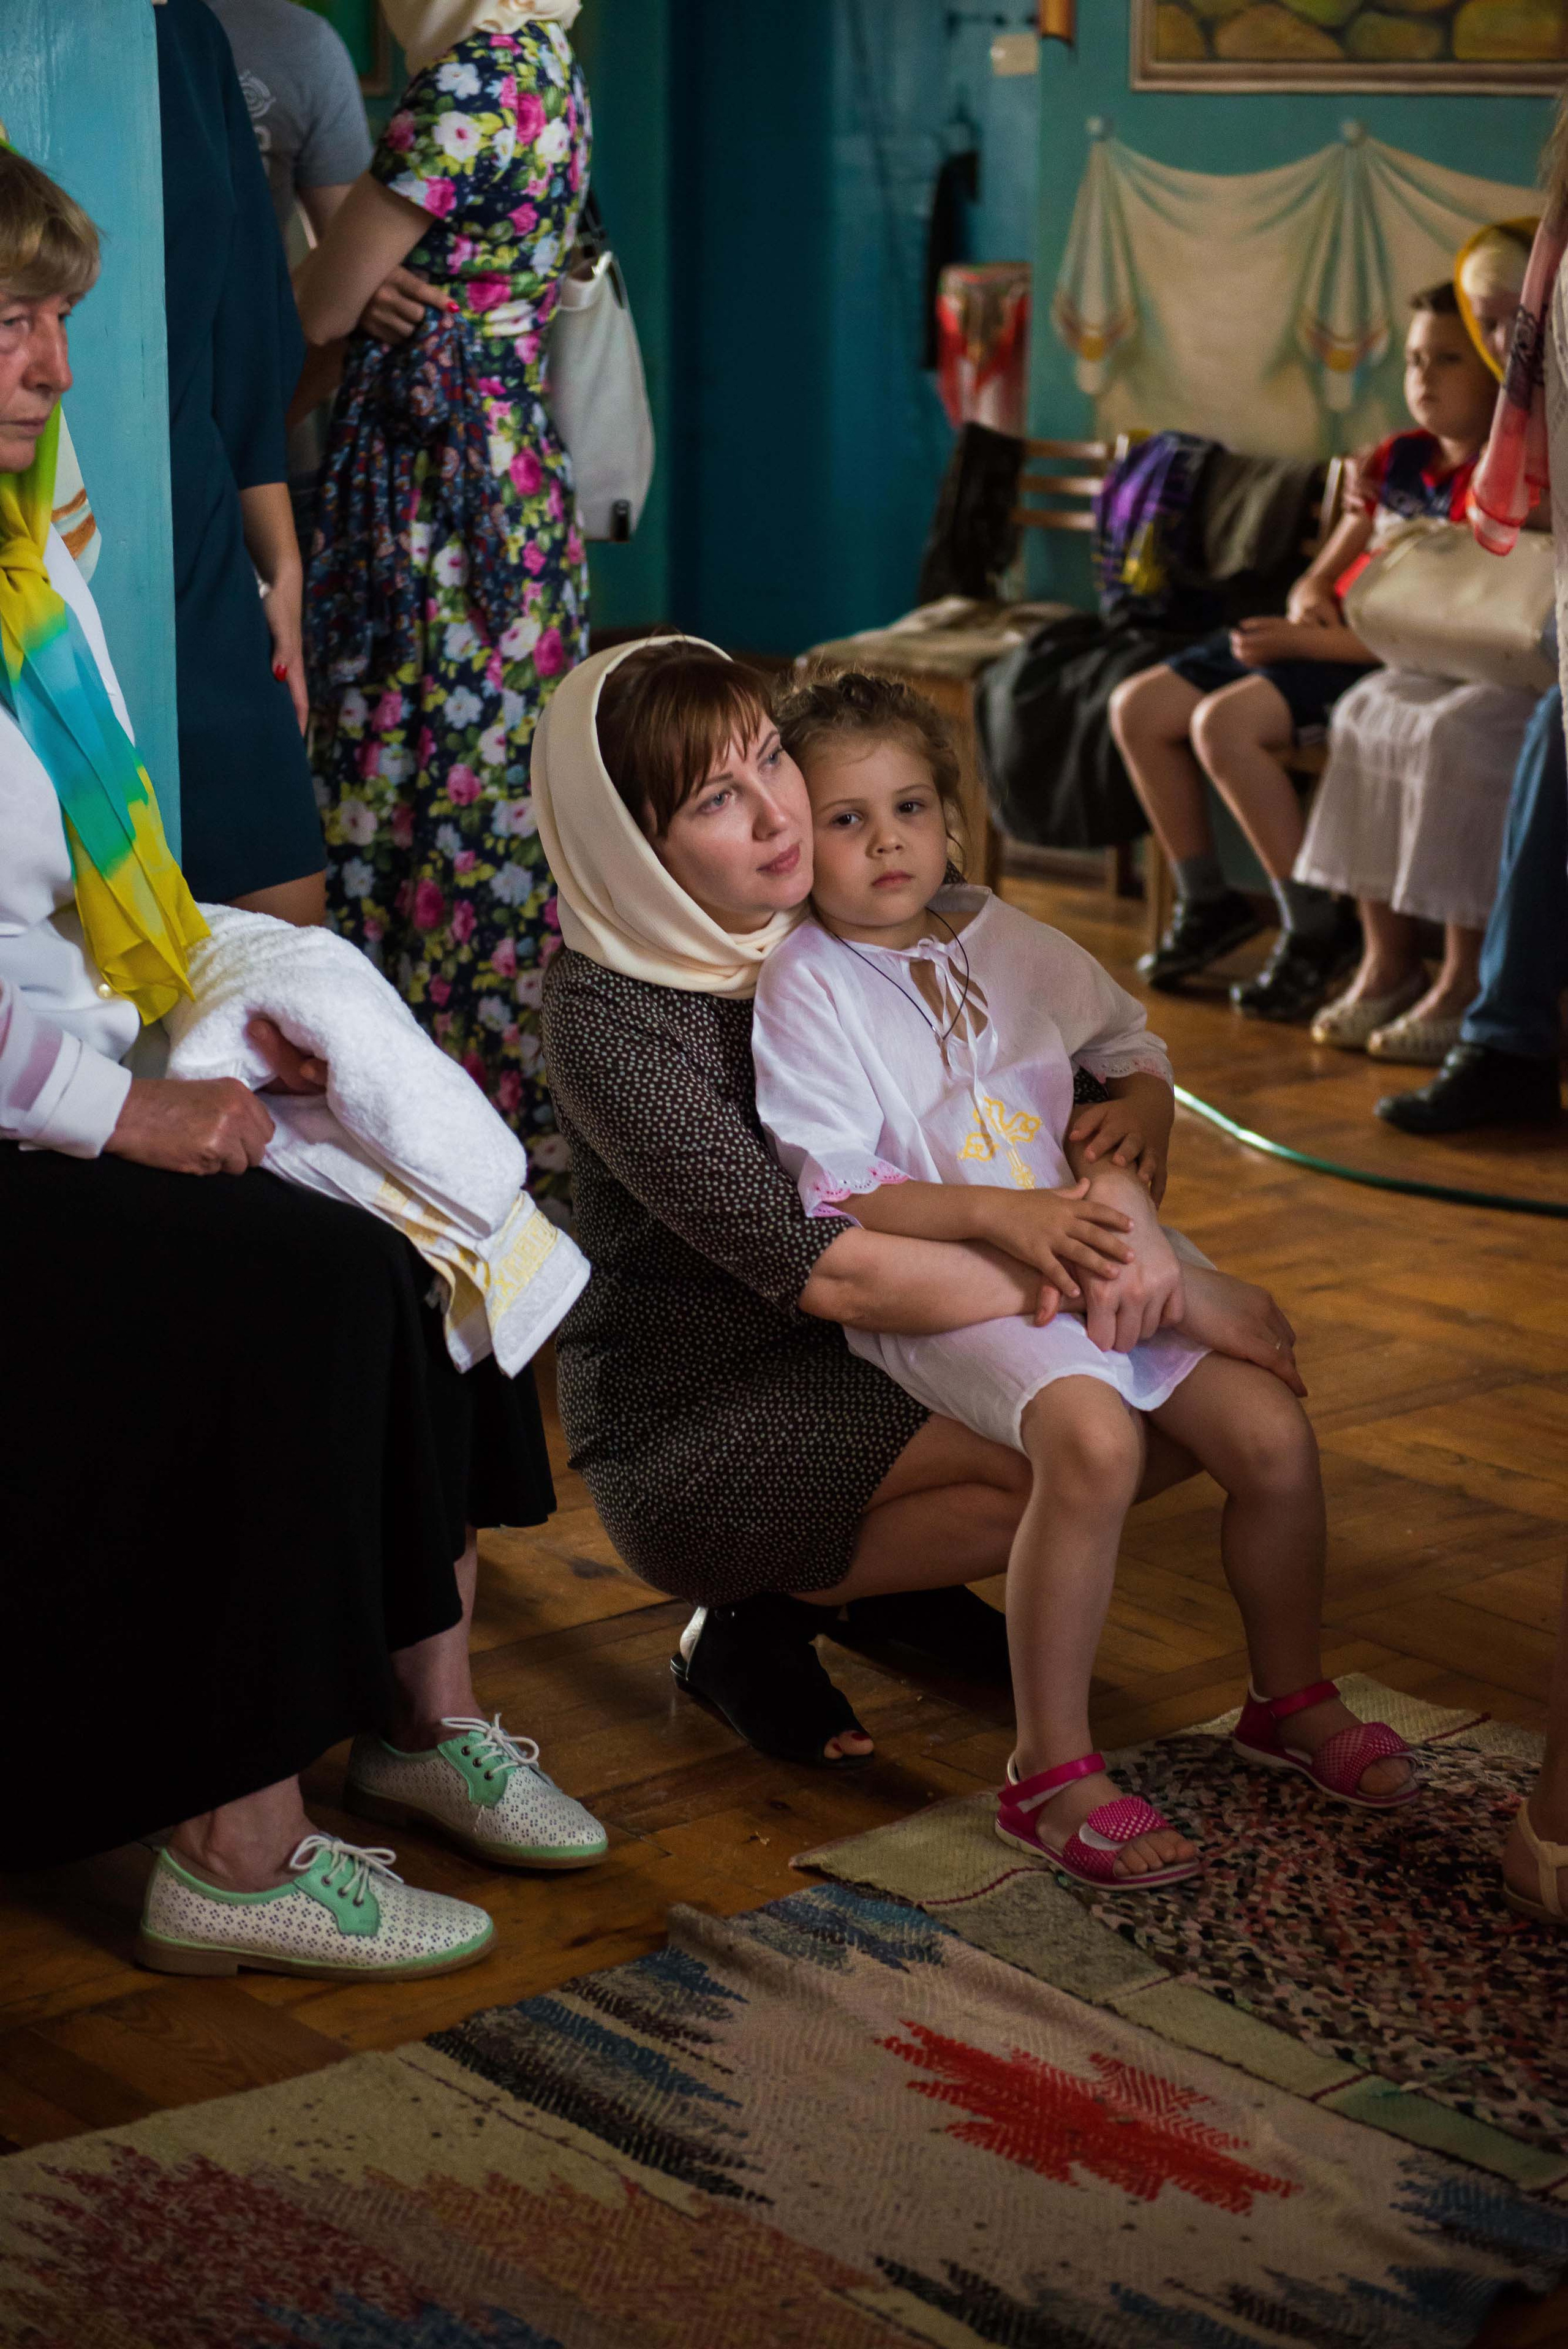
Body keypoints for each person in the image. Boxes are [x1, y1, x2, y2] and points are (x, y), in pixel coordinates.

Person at [0, 148, 604, 1980]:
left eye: (58, 322)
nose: (53, 368)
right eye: (13, 323)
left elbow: (83, 884)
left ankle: (422, 1720)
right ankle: (236, 1852)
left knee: (431, 1184)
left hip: (75, 1055)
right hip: (36, 1114)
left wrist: (216, 1007)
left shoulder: (29, 563)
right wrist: (131, 1108)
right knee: (306, 1288)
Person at [532, 636, 1313, 1770]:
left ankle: (887, 1587)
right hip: (712, 1393)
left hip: (910, 1323)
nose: (780, 815)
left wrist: (1126, 1159)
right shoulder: (612, 1013)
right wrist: (1169, 1288)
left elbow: (1082, 1082)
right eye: (716, 799)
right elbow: (835, 1269)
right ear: (633, 848)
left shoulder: (865, 904)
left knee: (1174, 1417)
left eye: (769, 759)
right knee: (1086, 1441)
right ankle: (762, 1611)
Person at [744, 669, 1414, 1882]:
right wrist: (1000, 1216)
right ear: (797, 840)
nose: (886, 841)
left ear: (950, 816)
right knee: (1095, 1442)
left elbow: (1129, 1046)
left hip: (1090, 1241)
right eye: (847, 819)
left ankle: (1287, 1696)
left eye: (908, 808)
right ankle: (1048, 1769)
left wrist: (1144, 1117)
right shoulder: (808, 981)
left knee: (1271, 1432)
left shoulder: (1009, 937)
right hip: (952, 1274)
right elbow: (840, 1187)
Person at [296, 0, 590, 1193]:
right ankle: (515, 1131)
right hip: (513, 482)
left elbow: (317, 305)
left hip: (435, 501)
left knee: (414, 796)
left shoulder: (466, 80)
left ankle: (418, 1138)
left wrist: (356, 284)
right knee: (498, 809)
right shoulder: (548, 62)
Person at [1115, 282, 1498, 1025]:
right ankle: (1207, 903)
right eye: (1415, 359)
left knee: (1222, 725)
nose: (1423, 376)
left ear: (1496, 372)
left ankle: (1314, 928)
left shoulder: (1492, 483)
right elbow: (1324, 569)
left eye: (1448, 360)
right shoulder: (1397, 458)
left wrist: (1304, 640)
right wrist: (1307, 596)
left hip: (1370, 658)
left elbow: (1437, 633)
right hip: (1316, 637)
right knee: (1138, 706)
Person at [154, 0, 328, 927]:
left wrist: (281, 566)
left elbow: (246, 314)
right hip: (38, 518)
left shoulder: (188, 35)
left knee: (285, 923)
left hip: (199, 526)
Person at [203, 0, 374, 549]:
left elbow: (363, 287)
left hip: (265, 438)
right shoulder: (85, 27)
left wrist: (258, 432)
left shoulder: (299, 42)